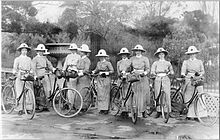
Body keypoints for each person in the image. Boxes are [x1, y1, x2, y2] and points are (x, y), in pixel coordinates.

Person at [181, 46, 205, 120]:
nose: (192, 55)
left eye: (193, 53)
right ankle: (189, 114)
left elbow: (203, 71)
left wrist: (200, 74)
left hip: (197, 78)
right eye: (191, 54)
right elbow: (183, 71)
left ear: (195, 54)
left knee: (199, 95)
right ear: (189, 54)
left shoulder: (199, 62)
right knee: (189, 96)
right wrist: (183, 74)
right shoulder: (186, 62)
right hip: (189, 78)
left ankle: (198, 115)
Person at [151, 48, 174, 118]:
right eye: (160, 54)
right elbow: (152, 71)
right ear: (158, 55)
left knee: (167, 94)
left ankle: (168, 111)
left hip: (165, 78)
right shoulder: (155, 63)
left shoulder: (168, 63)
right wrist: (154, 74)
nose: (161, 55)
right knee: (157, 94)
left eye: (162, 54)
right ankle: (158, 111)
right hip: (158, 78)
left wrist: (170, 72)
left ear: (164, 55)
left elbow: (172, 71)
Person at [32, 44, 55, 111]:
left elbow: (49, 64)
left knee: (47, 90)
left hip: (45, 74)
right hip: (39, 74)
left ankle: (46, 105)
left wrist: (52, 69)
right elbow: (33, 68)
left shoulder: (45, 58)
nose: (41, 52)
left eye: (42, 51)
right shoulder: (35, 59)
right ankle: (39, 105)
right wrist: (35, 75)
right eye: (40, 51)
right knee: (39, 90)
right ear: (38, 51)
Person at [12, 43, 33, 115]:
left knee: (29, 92)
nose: (24, 51)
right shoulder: (17, 59)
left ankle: (28, 108)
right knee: (20, 91)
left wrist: (31, 72)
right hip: (20, 75)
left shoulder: (29, 59)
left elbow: (31, 68)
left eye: (25, 50)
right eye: (23, 50)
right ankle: (20, 108)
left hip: (27, 75)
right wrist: (15, 72)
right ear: (21, 51)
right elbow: (15, 68)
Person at [130, 44, 150, 118]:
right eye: (136, 51)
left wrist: (144, 73)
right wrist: (130, 72)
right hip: (134, 77)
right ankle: (135, 111)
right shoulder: (132, 59)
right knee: (135, 94)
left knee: (143, 94)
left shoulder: (145, 59)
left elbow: (148, 69)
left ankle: (144, 111)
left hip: (142, 77)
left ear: (141, 51)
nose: (138, 52)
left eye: (139, 51)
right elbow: (129, 67)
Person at [92, 49, 114, 114]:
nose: (101, 58)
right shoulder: (98, 63)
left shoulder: (108, 63)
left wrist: (107, 73)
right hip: (99, 79)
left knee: (106, 94)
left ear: (105, 57)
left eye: (102, 56)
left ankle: (106, 109)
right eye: (100, 56)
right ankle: (101, 108)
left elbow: (112, 70)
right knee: (100, 94)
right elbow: (96, 69)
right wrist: (93, 71)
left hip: (106, 79)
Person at [116, 47, 131, 117]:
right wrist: (120, 75)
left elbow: (131, 70)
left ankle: (127, 110)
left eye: (125, 54)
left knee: (127, 93)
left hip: (127, 78)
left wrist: (127, 73)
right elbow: (118, 71)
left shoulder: (130, 62)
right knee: (121, 94)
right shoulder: (119, 62)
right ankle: (122, 109)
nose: (123, 55)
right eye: (122, 54)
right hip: (121, 78)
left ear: (127, 55)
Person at [76, 44, 91, 111]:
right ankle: (78, 106)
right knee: (79, 91)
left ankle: (84, 107)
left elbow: (87, 69)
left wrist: (82, 72)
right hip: (79, 77)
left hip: (84, 77)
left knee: (84, 92)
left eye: (81, 52)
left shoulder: (87, 60)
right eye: (80, 52)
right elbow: (77, 66)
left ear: (84, 52)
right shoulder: (79, 59)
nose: (80, 53)